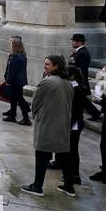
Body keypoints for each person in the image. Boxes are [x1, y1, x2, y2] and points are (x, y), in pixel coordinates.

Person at [23, 56, 75, 197]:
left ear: (56, 66)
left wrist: (36, 116)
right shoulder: (67, 83)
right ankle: (69, 186)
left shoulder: (47, 82)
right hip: (63, 124)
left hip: (47, 123)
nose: (45, 66)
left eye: (47, 64)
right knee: (64, 156)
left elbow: (35, 103)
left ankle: (37, 186)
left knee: (42, 154)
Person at [70, 34, 102, 120]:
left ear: (80, 42)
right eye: (73, 41)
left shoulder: (83, 53)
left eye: (74, 41)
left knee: (83, 100)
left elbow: (82, 70)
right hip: (76, 81)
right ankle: (96, 114)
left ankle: (96, 113)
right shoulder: (78, 52)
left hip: (79, 81)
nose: (72, 42)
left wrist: (80, 82)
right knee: (83, 100)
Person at [1, 37, 31, 125]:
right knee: (13, 98)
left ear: (15, 46)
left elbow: (12, 71)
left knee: (19, 99)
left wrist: (8, 81)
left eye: (11, 44)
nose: (10, 45)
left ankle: (26, 119)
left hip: (15, 81)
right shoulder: (22, 55)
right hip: (20, 81)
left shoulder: (15, 56)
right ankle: (12, 115)